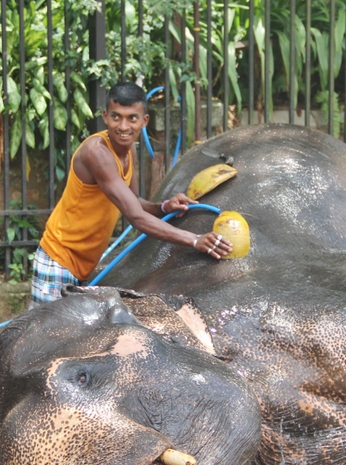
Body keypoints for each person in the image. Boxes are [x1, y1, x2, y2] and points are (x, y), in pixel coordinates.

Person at [31, 81, 232, 304]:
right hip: (58, 261)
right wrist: (195, 240)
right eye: (116, 117)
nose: (123, 126)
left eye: (132, 118)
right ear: (105, 116)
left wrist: (164, 207)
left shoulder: (129, 150)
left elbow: (134, 201)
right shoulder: (96, 152)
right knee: (48, 337)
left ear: (144, 121)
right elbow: (134, 216)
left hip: (82, 267)